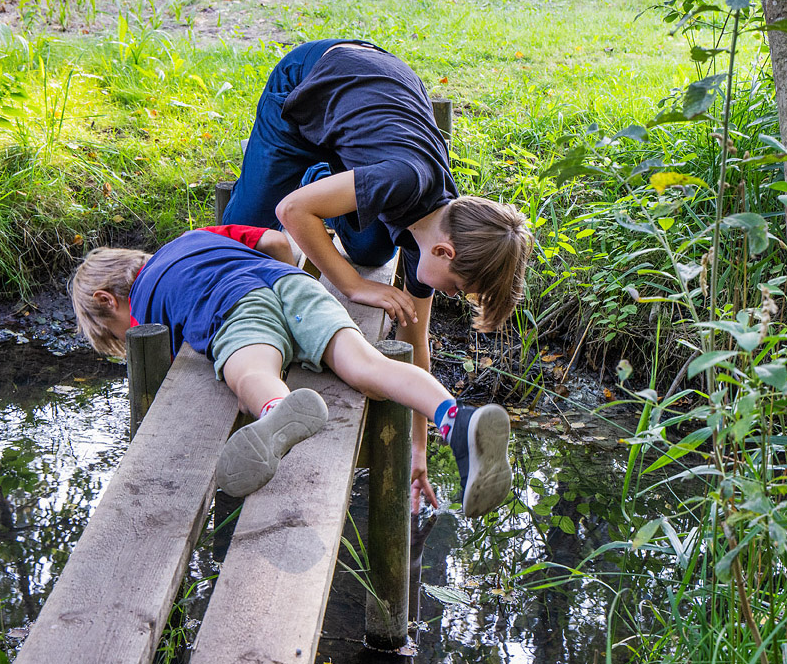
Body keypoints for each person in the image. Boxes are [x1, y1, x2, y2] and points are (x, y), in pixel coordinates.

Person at [219, 38, 533, 510]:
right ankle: (316, 175)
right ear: (445, 252)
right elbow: (291, 212)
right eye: (455, 287)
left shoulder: (436, 230)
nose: (445, 293)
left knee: (368, 246)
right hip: (310, 80)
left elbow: (415, 344)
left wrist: (419, 449)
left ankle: (331, 178)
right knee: (244, 240)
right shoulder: (403, 180)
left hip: (371, 97)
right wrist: (352, 286)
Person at [68, 225, 513, 517]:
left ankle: (275, 407)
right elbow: (277, 243)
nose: (128, 331)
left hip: (232, 307)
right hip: (290, 284)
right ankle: (456, 419)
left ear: (108, 301)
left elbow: (175, 366)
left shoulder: (148, 303)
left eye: (115, 328)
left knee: (249, 371)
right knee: (366, 365)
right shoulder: (195, 237)